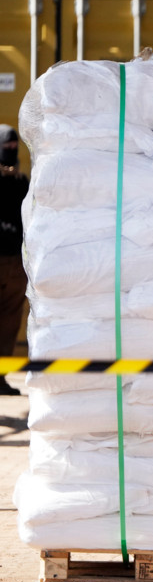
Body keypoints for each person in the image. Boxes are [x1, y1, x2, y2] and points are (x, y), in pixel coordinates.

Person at [0, 125, 28, 396]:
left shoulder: (21, 183)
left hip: (16, 264)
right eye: (6, 146)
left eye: (13, 146)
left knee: (9, 325)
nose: (10, 150)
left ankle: (0, 376)